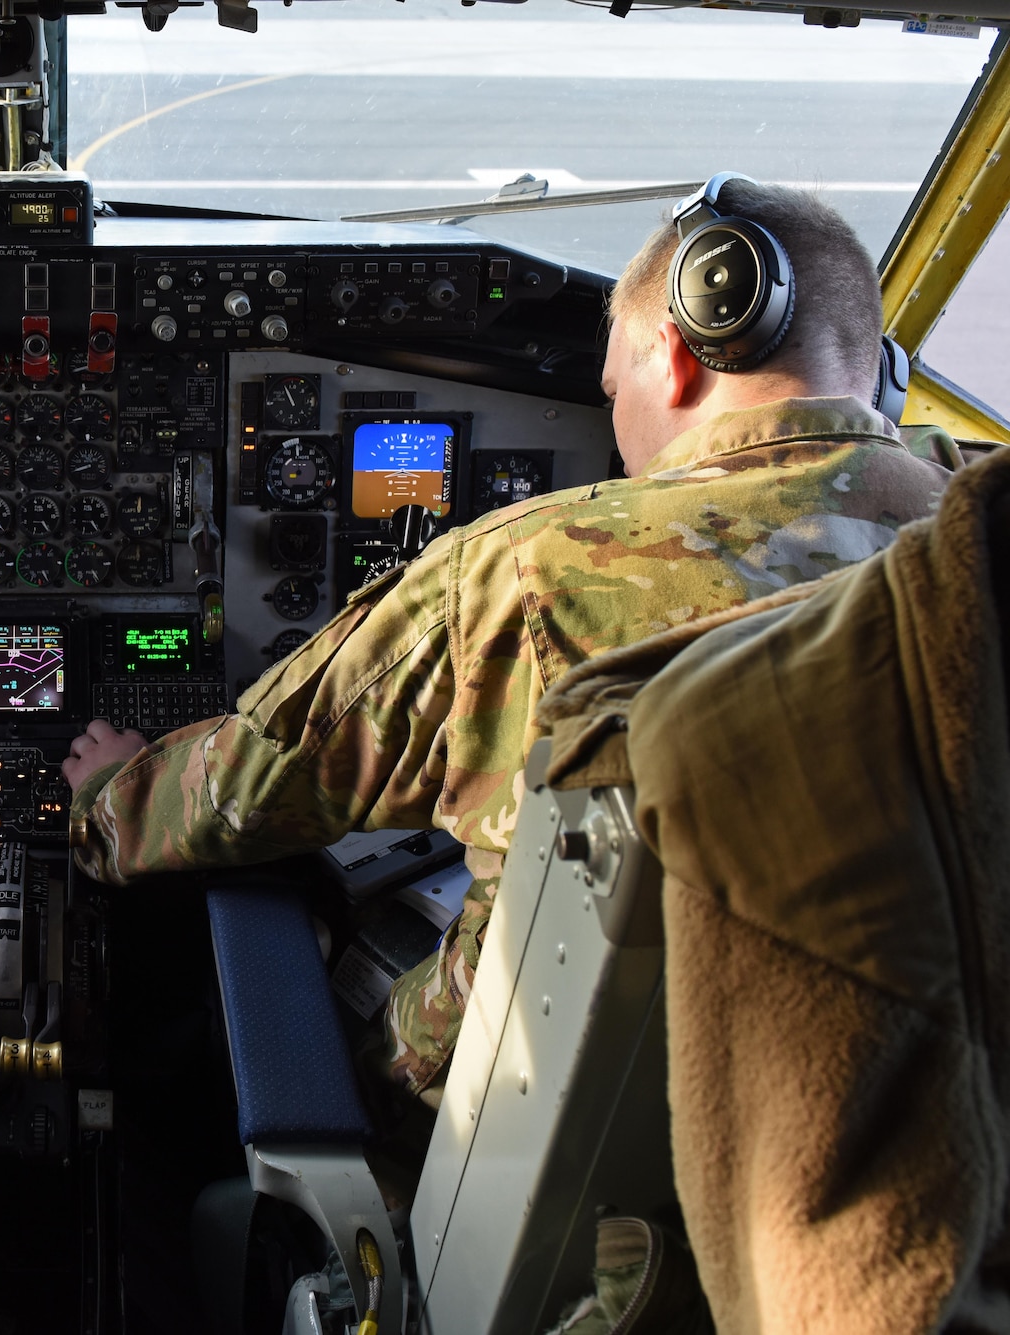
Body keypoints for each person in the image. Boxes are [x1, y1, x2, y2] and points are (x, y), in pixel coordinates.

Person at [61, 177, 954, 1105]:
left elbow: (250, 787)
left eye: (613, 389)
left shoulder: (523, 572)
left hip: (528, 1138)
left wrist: (109, 802)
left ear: (678, 361)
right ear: (880, 371)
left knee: (312, 946)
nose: (615, 425)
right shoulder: (984, 538)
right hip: (910, 1110)